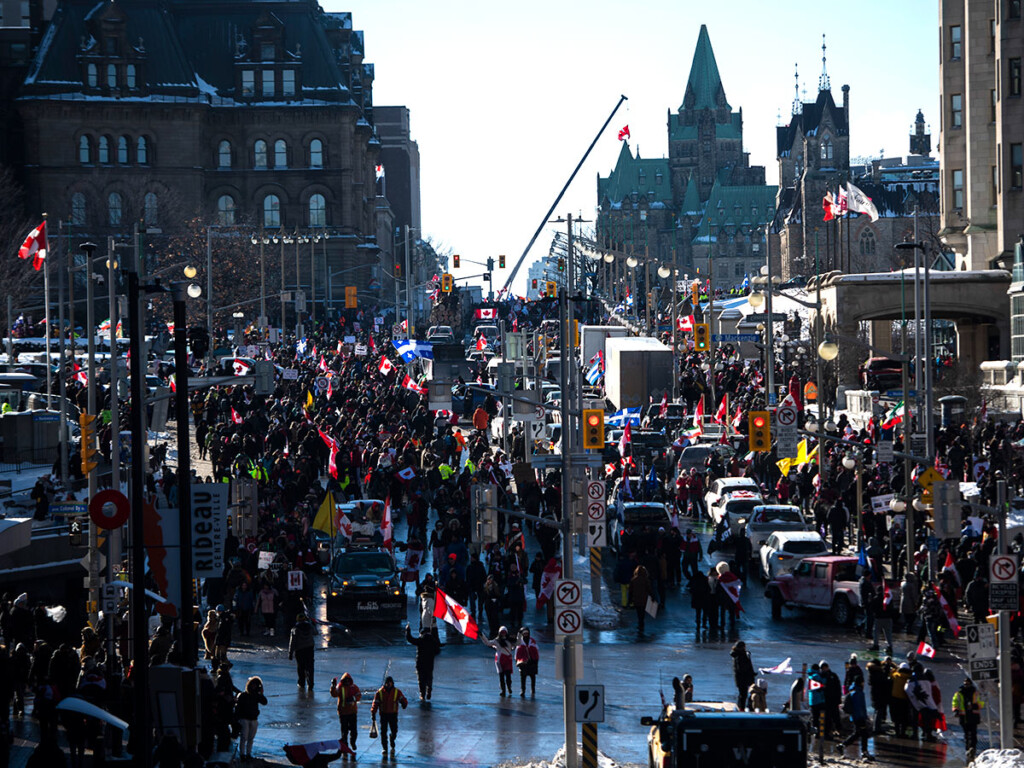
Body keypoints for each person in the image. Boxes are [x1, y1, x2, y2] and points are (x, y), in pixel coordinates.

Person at [370, 676, 407, 759]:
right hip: (383, 714)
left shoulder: (397, 692)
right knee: (383, 732)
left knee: (394, 730)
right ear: (385, 683)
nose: (388, 684)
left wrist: (404, 703)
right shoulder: (379, 692)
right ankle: (385, 748)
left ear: (392, 683)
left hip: (393, 714)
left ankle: (392, 739)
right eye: (387, 683)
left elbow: (402, 699)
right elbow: (375, 703)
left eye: (390, 682)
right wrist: (373, 712)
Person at [837, 675, 872, 760]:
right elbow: (861, 707)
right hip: (859, 717)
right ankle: (864, 752)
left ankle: (842, 745)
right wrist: (865, 717)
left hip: (855, 717)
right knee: (863, 734)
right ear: (861, 683)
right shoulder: (858, 693)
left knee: (858, 733)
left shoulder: (853, 692)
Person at [235, 675, 267, 762]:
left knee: (250, 738)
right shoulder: (243, 695)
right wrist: (237, 719)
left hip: (253, 719)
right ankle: (242, 754)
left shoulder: (257, 695)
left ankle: (248, 754)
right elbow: (237, 709)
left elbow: (264, 702)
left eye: (256, 685)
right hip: (244, 719)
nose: (254, 686)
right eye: (253, 684)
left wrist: (261, 693)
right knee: (244, 737)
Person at [405, 624, 441, 700]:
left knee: (421, 679)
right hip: (430, 663)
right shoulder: (433, 641)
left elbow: (410, 639)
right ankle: (429, 690)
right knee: (429, 678)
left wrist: (408, 630)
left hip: (420, 663)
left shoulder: (420, 640)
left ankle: (422, 694)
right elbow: (437, 649)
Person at [952, 676, 983, 760]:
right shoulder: (959, 693)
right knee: (967, 734)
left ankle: (972, 748)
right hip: (964, 717)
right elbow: (955, 702)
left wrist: (974, 706)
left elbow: (981, 703)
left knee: (973, 733)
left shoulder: (975, 693)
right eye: (965, 683)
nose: (966, 685)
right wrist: (956, 710)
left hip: (973, 716)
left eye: (967, 683)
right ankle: (968, 748)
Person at [330, 672, 360, 757]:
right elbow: (334, 694)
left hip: (352, 712)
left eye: (348, 680)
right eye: (345, 681)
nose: (347, 682)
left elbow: (359, 695)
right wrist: (332, 686)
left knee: (354, 730)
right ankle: (345, 746)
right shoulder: (340, 687)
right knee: (344, 731)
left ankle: (353, 742)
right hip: (343, 713)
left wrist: (353, 698)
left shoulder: (354, 687)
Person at [483, 626, 516, 697]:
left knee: (508, 676)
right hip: (499, 661)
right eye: (502, 632)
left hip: (507, 660)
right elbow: (487, 643)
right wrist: (482, 635)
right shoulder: (496, 641)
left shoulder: (510, 640)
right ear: (499, 633)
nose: (503, 634)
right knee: (501, 676)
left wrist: (520, 635)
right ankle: (503, 691)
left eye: (504, 632)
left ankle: (509, 687)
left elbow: (517, 644)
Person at [288, 612, 316, 690]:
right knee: (310, 666)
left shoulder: (295, 629)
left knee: (301, 667)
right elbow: (316, 632)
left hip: (300, 650)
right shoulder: (310, 626)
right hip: (309, 648)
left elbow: (292, 642)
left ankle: (301, 682)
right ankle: (311, 683)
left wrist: (290, 653)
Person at [515, 626, 539, 697]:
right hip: (523, 662)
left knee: (533, 677)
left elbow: (536, 650)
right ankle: (523, 690)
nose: (525, 635)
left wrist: (536, 660)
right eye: (524, 634)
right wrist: (517, 660)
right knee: (523, 677)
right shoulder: (520, 642)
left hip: (532, 661)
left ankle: (533, 689)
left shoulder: (532, 641)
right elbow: (517, 652)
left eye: (527, 633)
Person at [731, 641, 755, 711]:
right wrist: (750, 673)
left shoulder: (738, 654)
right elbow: (742, 668)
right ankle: (742, 708)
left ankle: (741, 707)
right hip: (743, 678)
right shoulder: (740, 655)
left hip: (741, 678)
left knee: (743, 694)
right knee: (743, 694)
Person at [629, 564, 652, 633]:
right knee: (642, 612)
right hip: (644, 599)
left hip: (636, 599)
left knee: (638, 612)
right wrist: (652, 597)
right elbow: (649, 589)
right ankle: (642, 622)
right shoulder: (646, 580)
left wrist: (630, 600)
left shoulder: (633, 580)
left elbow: (631, 591)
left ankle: (640, 622)